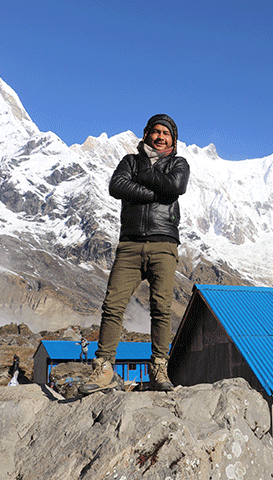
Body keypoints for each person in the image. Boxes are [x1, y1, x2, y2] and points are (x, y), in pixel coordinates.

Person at [80, 114, 190, 395]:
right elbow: (116, 186)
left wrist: (142, 179)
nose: (160, 136)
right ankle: (104, 368)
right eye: (156, 131)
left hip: (164, 244)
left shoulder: (178, 164)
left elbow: (176, 187)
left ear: (173, 141)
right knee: (113, 306)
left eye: (166, 133)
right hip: (129, 244)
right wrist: (156, 191)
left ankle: (158, 368)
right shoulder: (130, 161)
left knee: (162, 309)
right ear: (146, 134)